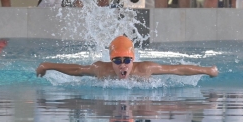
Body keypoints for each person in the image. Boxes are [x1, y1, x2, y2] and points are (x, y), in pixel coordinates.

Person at [36, 36, 218, 79]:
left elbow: (176, 69)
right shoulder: (102, 69)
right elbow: (77, 69)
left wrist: (207, 71)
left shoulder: (144, 69)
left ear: (133, 59)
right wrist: (47, 65)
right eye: (117, 60)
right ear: (111, 60)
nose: (122, 65)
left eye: (126, 60)